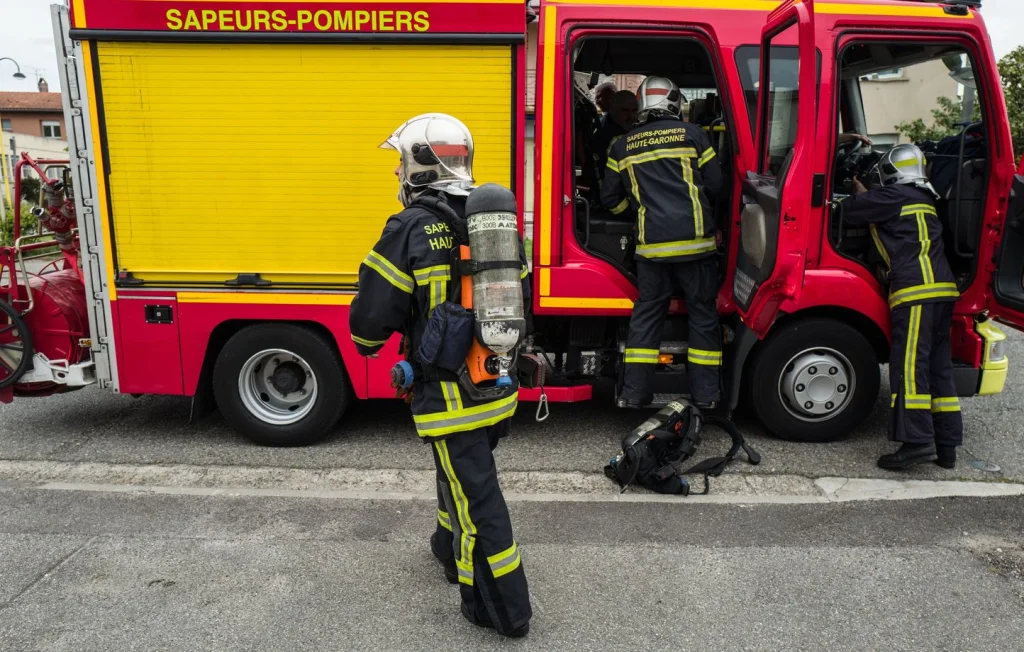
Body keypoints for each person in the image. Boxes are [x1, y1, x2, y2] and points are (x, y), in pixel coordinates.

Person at [349, 113, 532, 637]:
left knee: (479, 498)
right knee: (457, 474)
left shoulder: (409, 228)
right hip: (497, 383)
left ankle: (504, 609)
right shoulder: (491, 219)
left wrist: (369, 344)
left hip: (449, 397)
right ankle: (450, 553)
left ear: (417, 164)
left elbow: (370, 319)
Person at [601, 76, 724, 409]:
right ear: (674, 101)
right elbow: (716, 185)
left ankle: (634, 394)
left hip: (651, 250)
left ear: (643, 104)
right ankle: (706, 397)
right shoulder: (695, 135)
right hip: (697, 248)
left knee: (647, 317)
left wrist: (639, 213)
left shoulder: (622, 145)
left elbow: (609, 199)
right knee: (702, 317)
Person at [840, 143, 963, 470]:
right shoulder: (926, 199)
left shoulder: (893, 196)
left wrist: (859, 190)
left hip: (915, 292)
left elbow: (849, 210)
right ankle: (946, 447)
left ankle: (917, 442)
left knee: (909, 367)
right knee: (939, 370)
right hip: (942, 292)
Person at [595, 90, 639, 180]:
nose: (631, 116)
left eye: (634, 110)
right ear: (614, 111)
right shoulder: (604, 136)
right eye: (625, 111)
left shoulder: (635, 129)